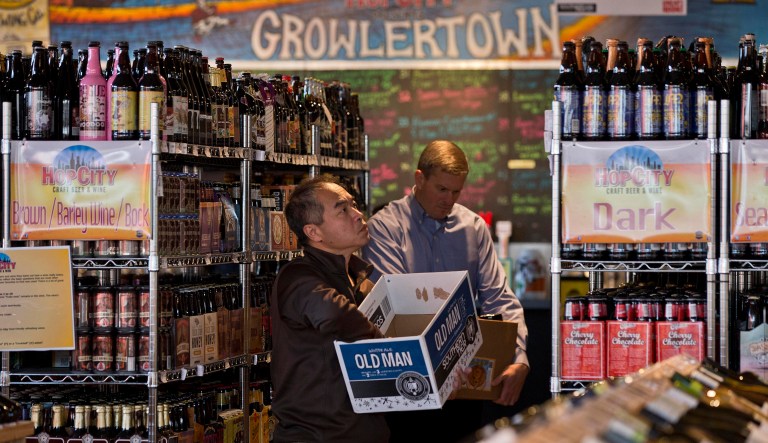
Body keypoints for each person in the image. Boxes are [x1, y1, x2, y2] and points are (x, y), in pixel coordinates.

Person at [362, 139, 530, 442]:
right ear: (419, 178)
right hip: (410, 385)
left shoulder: (473, 227)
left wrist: (519, 356)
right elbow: (397, 308)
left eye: (456, 191)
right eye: (442, 189)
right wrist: (439, 371)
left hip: (463, 385)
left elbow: (499, 297)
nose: (449, 199)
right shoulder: (385, 228)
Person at [270, 175, 390, 443]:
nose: (358, 215)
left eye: (354, 205)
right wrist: (406, 354)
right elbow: (337, 316)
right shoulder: (298, 278)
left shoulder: (359, 279)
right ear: (314, 232)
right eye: (342, 210)